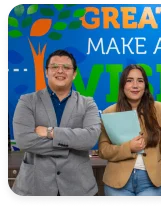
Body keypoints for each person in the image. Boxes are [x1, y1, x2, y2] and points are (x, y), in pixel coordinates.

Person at [11, 49, 101, 196]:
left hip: (79, 187)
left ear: (74, 74)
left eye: (66, 67)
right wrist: (71, 146)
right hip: (34, 188)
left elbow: (90, 139)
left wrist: (50, 132)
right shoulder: (27, 101)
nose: (60, 71)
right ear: (47, 72)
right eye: (54, 67)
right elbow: (24, 141)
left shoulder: (88, 103)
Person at [98, 64, 161, 196]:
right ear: (123, 85)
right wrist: (129, 147)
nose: (135, 85)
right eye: (129, 80)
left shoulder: (159, 109)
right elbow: (103, 151)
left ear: (145, 86)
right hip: (117, 183)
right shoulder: (110, 112)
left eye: (140, 81)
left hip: (151, 183)